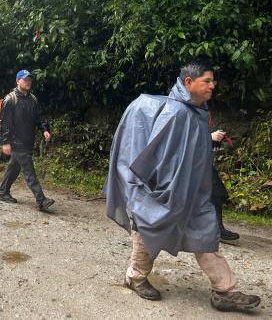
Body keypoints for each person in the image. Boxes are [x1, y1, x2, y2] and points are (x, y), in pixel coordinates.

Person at [103, 60, 260, 312]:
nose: (212, 86)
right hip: (164, 190)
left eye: (213, 81)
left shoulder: (196, 111)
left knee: (206, 233)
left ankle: (224, 291)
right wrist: (154, 192)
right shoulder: (175, 113)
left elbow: (190, 147)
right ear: (189, 83)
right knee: (147, 230)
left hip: (193, 191)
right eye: (206, 81)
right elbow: (154, 155)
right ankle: (136, 277)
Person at [0, 70, 55, 212]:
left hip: (28, 140)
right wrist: (5, 142)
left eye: (29, 79)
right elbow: (4, 122)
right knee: (29, 171)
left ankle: (3, 192)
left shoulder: (33, 99)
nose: (28, 82)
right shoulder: (10, 99)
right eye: (25, 79)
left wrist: (45, 130)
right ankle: (41, 200)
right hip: (16, 141)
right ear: (18, 81)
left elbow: (39, 118)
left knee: (14, 168)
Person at [211, 130, 240, 242]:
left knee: (217, 193)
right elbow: (182, 137)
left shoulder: (201, 113)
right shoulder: (183, 112)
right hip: (187, 163)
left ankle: (215, 229)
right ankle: (216, 230)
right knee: (216, 192)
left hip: (199, 161)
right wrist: (209, 137)